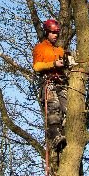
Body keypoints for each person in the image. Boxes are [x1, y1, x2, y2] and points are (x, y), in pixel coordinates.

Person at [32, 18, 68, 151]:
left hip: (61, 81)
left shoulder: (59, 50)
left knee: (67, 107)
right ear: (47, 32)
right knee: (54, 106)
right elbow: (37, 66)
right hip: (48, 81)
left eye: (56, 33)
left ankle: (65, 130)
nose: (55, 36)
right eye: (53, 33)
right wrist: (53, 64)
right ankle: (55, 136)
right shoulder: (40, 48)